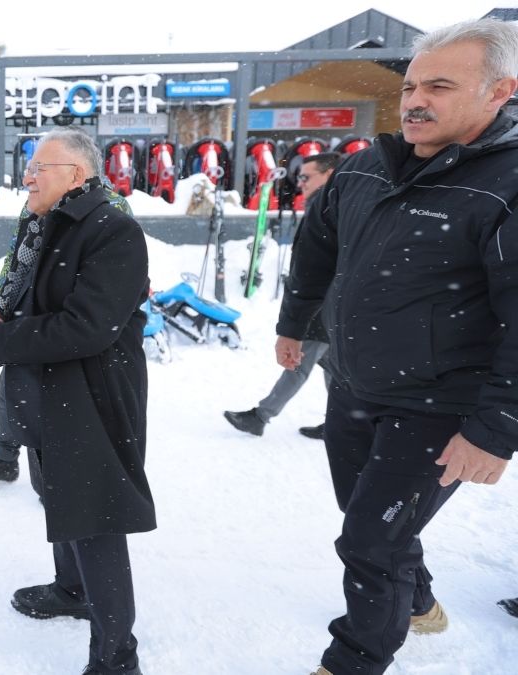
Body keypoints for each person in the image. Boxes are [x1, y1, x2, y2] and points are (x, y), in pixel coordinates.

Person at [274, 20, 518, 675]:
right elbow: (316, 244)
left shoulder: (508, 183)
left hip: (441, 404)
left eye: (440, 85)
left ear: (502, 91)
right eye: (411, 84)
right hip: (354, 384)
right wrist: (294, 322)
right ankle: (421, 602)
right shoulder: (364, 168)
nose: (415, 99)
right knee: (370, 516)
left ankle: (355, 658)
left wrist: (497, 429)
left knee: (368, 539)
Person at [0, 128, 155, 674]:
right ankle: (72, 589)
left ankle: (117, 657)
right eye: (28, 168)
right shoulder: (44, 223)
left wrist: (3, 341)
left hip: (92, 397)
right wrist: (2, 316)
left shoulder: (112, 229)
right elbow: (29, 290)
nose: (27, 177)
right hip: (48, 391)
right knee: (58, 497)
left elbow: (88, 327)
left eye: (39, 168)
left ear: (77, 175)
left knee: (94, 518)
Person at [0, 187, 134, 490]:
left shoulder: (112, 206)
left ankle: (51, 482)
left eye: (45, 165)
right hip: (23, 317)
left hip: (63, 325)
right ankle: (5, 460)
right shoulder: (37, 199)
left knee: (50, 404)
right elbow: (15, 259)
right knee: (11, 392)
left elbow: (117, 278)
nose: (34, 177)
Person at [222, 152, 340, 438]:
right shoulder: (327, 205)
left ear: (330, 173)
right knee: (332, 368)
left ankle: (261, 416)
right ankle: (341, 424)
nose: (300, 183)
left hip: (321, 307)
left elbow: (321, 265)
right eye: (299, 177)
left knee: (298, 364)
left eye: (306, 177)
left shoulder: (331, 208)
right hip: (327, 306)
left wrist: (305, 309)